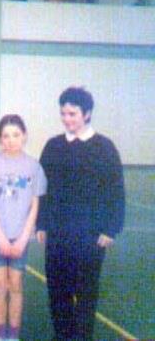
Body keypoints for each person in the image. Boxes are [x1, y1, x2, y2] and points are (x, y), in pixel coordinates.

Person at [38, 87, 125, 341]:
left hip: (90, 234)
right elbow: (42, 188)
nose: (67, 119)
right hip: (58, 233)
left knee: (86, 290)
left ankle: (82, 336)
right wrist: (41, 224)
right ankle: (62, 335)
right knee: (58, 289)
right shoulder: (53, 146)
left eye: (72, 114)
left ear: (86, 114)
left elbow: (115, 190)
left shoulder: (105, 147)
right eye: (63, 113)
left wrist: (111, 229)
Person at [0, 115, 47, 341]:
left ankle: (13, 335)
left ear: (24, 136)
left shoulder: (34, 166)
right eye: (6, 136)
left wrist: (23, 238)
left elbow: (35, 206)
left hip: (21, 236)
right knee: (0, 284)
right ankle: (1, 334)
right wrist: (0, 237)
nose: (11, 140)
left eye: (16, 135)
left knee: (16, 285)